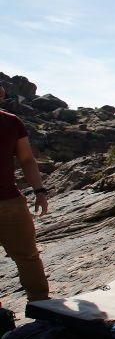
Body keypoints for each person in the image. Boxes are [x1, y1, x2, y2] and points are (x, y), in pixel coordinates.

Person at [0, 84, 49, 302]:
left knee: (28, 255)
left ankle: (41, 305)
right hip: (9, 202)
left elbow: (27, 159)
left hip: (9, 201)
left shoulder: (11, 122)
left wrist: (39, 191)